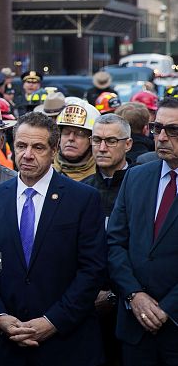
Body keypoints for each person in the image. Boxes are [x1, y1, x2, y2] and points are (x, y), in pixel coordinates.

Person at [0, 112, 106, 366]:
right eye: (21, 146)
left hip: (68, 346)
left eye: (38, 147)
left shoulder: (83, 198)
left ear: (54, 150)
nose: (27, 155)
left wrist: (52, 321)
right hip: (8, 347)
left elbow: (92, 270)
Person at [108, 97, 178, 365]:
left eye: (173, 130)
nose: (162, 137)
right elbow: (115, 242)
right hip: (134, 327)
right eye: (157, 128)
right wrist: (134, 295)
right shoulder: (136, 176)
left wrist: (167, 307)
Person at [80, 113, 132, 366]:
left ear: (128, 144)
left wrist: (115, 294)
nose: (101, 148)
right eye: (96, 140)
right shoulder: (82, 190)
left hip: (132, 301)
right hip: (87, 303)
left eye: (111, 141)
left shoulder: (141, 186)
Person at [53, 100, 101, 181]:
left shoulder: (101, 175)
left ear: (92, 140)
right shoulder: (45, 168)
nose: (71, 138)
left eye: (80, 134)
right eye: (66, 132)